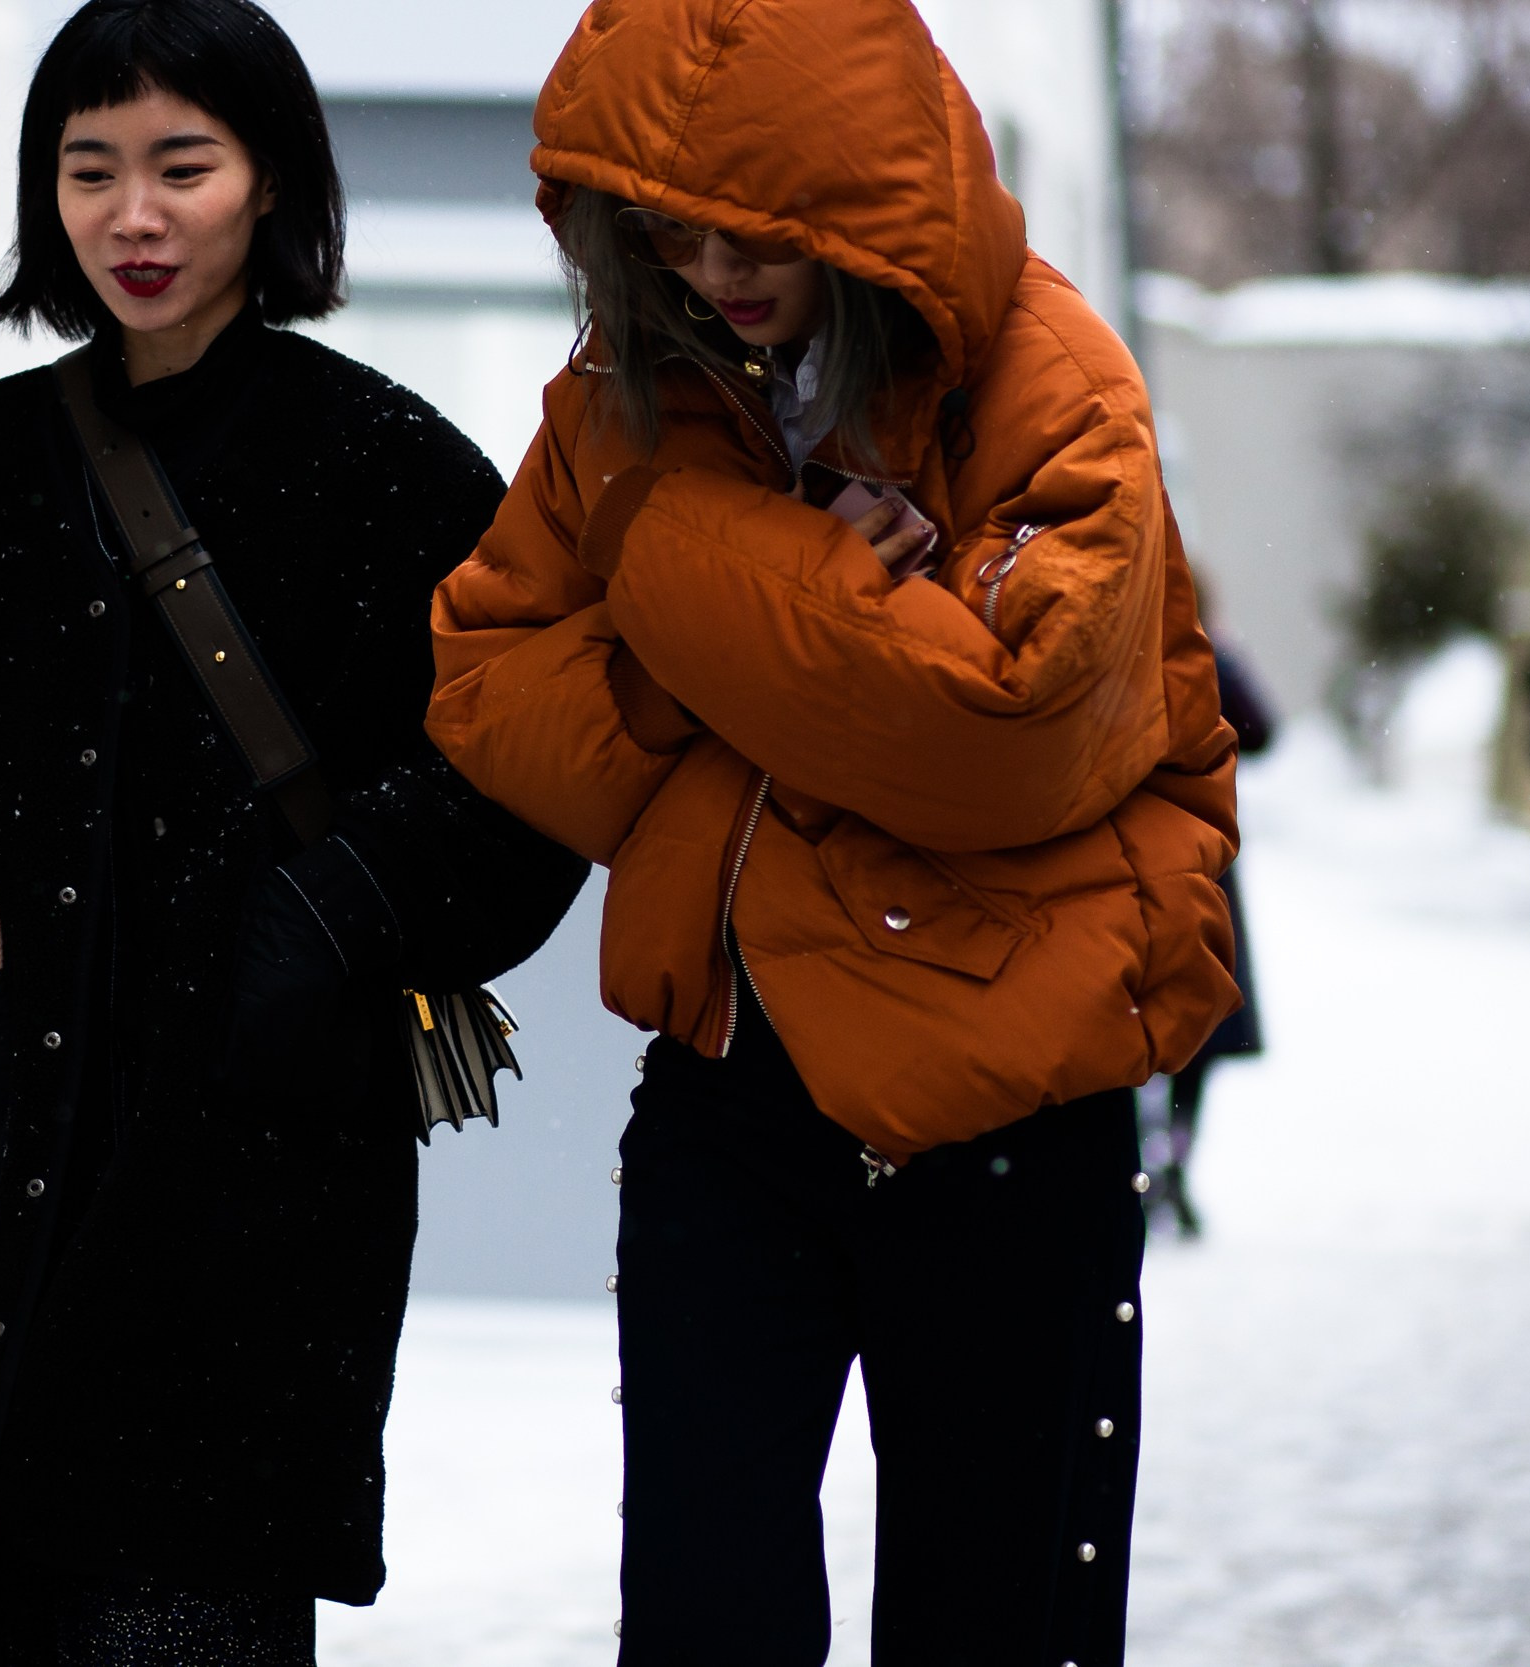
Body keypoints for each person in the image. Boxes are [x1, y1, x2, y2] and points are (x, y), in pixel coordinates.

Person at [0, 4, 586, 1662]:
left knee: (188, 1605)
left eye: (182, 166)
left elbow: (531, 764)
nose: (134, 213)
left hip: (256, 1203)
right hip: (7, 1181)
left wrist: (324, 927)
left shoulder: (390, 469)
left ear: (270, 184)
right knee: (20, 1577)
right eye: (90, 168)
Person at [424, 2, 1242, 1662]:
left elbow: (1006, 730)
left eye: (767, 231)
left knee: (996, 1622)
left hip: (1012, 1104)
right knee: (707, 1624)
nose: (720, 271)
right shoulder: (622, 406)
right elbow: (490, 691)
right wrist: (808, 604)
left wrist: (674, 575)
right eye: (674, 227)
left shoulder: (1055, 381)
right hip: (731, 1100)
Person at [1149, 633, 1276, 1237]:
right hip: (1201, 851)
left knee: (1136, 1021)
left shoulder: (1116, 647)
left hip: (1130, 856)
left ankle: (1151, 1164)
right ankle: (1172, 1157)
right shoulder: (1201, 653)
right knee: (1194, 1023)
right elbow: (1260, 729)